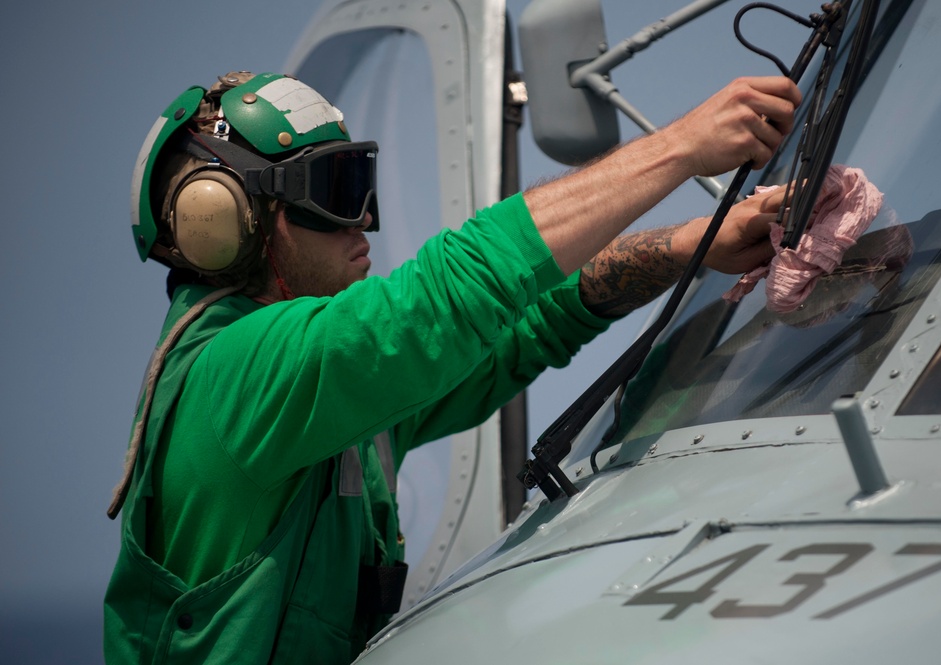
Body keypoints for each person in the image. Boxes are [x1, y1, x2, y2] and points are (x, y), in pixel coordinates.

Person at [104, 70, 800, 663]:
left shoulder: (326, 399)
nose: (364, 223)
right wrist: (679, 149)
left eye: (362, 184)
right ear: (230, 222)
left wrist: (688, 246)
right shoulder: (238, 376)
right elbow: (447, 297)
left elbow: (522, 327)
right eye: (336, 190)